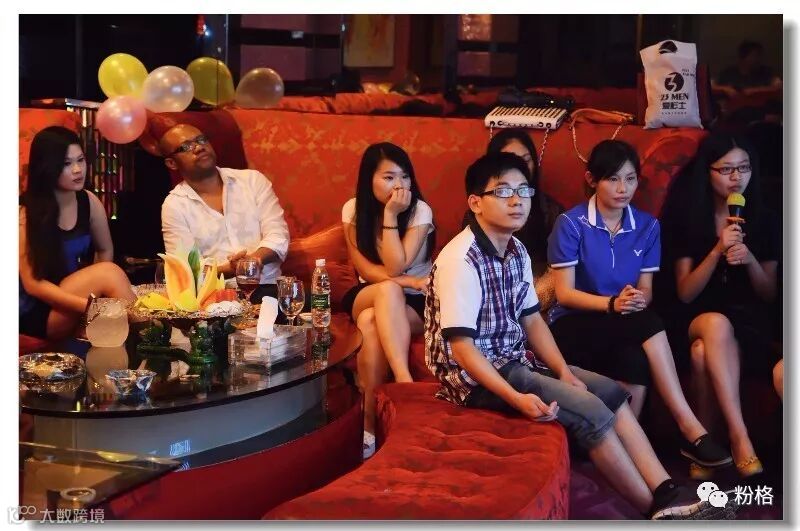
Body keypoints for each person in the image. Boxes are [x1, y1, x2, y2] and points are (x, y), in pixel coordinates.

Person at [425, 152, 734, 520]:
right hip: (473, 379)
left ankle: (668, 489)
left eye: (523, 190)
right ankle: (657, 511)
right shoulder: (461, 258)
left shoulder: (516, 249)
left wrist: (563, 371)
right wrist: (516, 398)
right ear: (476, 202)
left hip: (514, 359)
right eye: (503, 191)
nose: (517, 200)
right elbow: (462, 350)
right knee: (591, 410)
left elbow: (533, 321)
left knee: (610, 392)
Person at [546, 140, 730, 472]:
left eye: (630, 179)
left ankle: (623, 451)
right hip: (573, 323)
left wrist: (637, 298)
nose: (623, 188)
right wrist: (612, 304)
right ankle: (690, 427)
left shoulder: (647, 226)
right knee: (648, 323)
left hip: (622, 321)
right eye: (613, 179)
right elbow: (565, 294)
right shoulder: (571, 224)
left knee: (635, 356)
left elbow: (647, 289)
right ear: (592, 180)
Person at [659, 132, 780, 477]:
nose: (736, 177)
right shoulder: (688, 217)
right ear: (707, 172)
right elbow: (685, 293)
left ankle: (705, 449)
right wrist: (717, 251)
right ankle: (740, 437)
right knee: (714, 324)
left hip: (747, 321)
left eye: (744, 167)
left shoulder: (765, 219)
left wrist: (750, 259)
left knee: (701, 354)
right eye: (726, 169)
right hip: (694, 316)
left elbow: (769, 293)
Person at [341, 142, 435, 459]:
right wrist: (405, 281)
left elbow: (396, 265)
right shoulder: (352, 209)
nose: (399, 185)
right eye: (389, 177)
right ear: (369, 179)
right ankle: (405, 383)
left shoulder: (420, 211)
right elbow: (366, 270)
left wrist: (391, 214)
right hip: (369, 291)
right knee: (386, 291)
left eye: (405, 177)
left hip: (415, 301)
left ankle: (368, 426)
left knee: (371, 320)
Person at [19, 126, 134, 340]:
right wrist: (91, 308)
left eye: (80, 160)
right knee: (109, 273)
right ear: (46, 167)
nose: (77, 170)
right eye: (66, 163)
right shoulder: (24, 212)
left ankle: (139, 343)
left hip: (73, 296)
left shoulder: (89, 201)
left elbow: (104, 249)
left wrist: (96, 300)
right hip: (37, 310)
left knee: (108, 273)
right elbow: (32, 285)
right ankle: (147, 336)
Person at [159, 124, 290, 303]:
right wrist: (231, 269)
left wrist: (253, 261)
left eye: (201, 140)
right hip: (214, 298)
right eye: (186, 147)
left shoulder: (252, 181)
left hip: (267, 289)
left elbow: (278, 236)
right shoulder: (174, 205)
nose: (198, 147)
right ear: (172, 163)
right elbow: (186, 269)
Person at [485, 129, 564, 309]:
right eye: (510, 161)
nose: (520, 167)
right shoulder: (481, 210)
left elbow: (558, 269)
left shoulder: (551, 211)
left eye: (526, 160)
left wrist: (530, 301)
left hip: (539, 293)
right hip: (493, 294)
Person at [713, 40, 782, 97]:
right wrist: (725, 89)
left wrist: (755, 91)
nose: (758, 59)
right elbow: (711, 86)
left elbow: (780, 87)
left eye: (759, 56)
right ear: (743, 58)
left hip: (761, 107)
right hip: (735, 107)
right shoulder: (729, 73)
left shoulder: (765, 72)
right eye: (754, 56)